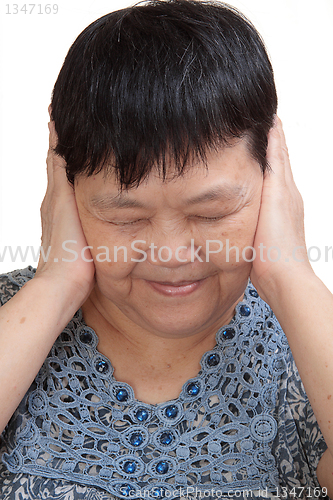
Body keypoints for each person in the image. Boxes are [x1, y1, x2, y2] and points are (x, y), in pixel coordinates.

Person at [0, 0, 332, 498]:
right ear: (66, 194)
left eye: (211, 212)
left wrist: (292, 277)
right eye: (125, 217)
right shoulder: (15, 316)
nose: (172, 253)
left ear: (271, 177)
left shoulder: (312, 342)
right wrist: (54, 285)